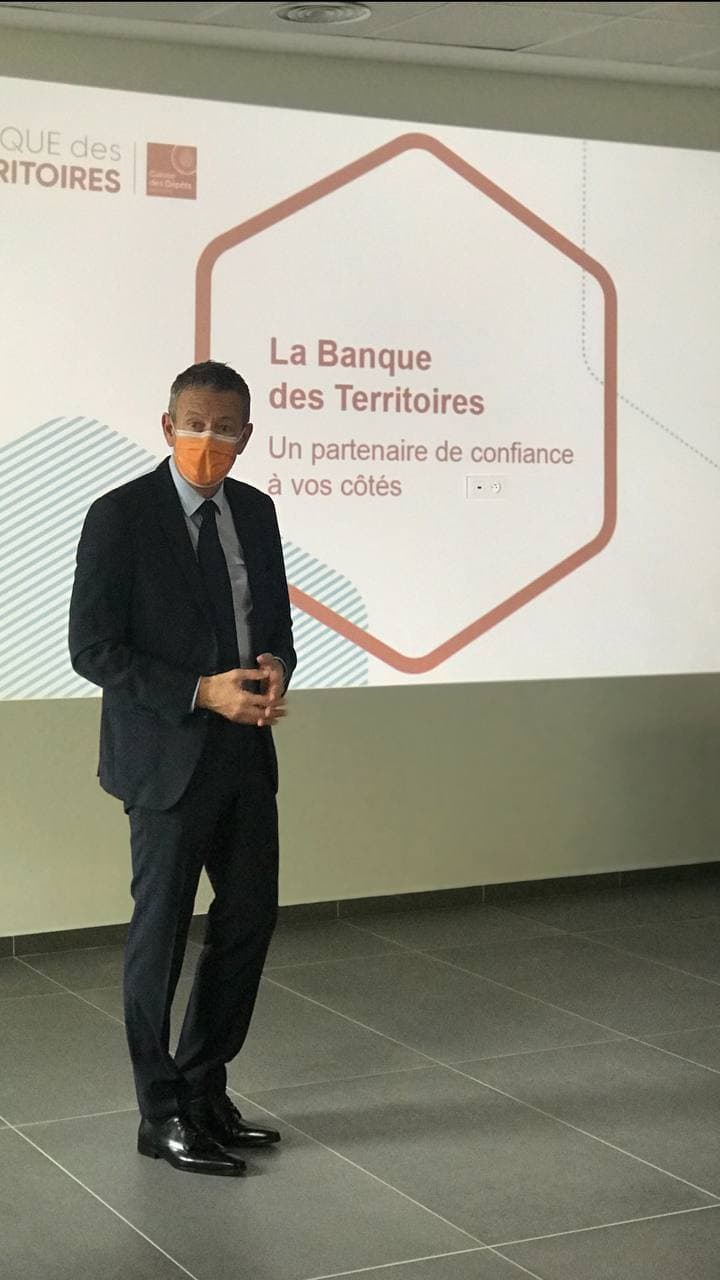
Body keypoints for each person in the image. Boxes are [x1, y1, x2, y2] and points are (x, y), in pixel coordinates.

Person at [69, 360, 296, 1177]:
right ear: (168, 427)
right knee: (160, 937)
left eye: (224, 428)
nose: (208, 439)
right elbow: (92, 649)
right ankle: (159, 1113)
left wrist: (274, 668)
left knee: (248, 922)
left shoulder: (257, 513)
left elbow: (275, 624)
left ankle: (204, 1088)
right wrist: (201, 691)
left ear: (246, 436)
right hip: (164, 760)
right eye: (194, 424)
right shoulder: (120, 516)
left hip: (245, 755)